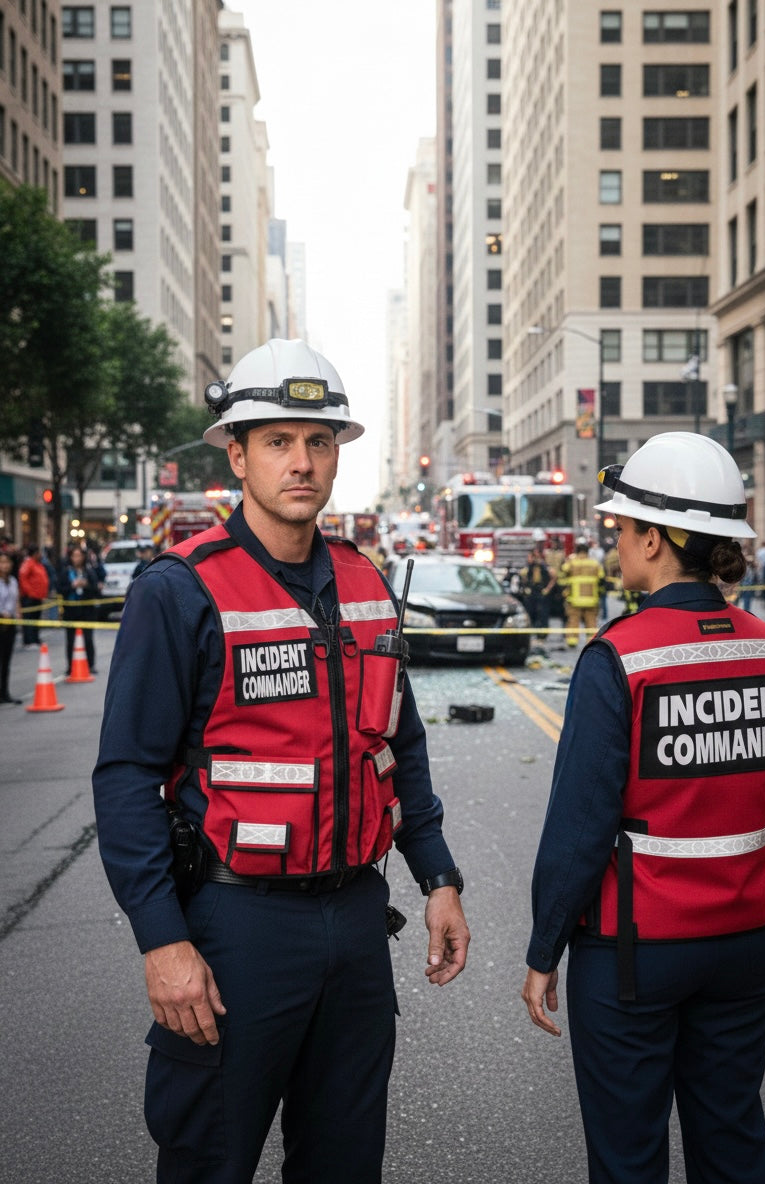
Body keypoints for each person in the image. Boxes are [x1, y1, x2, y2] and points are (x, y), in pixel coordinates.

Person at [92, 338, 470, 1184]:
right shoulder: (179, 589)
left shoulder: (367, 583)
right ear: (237, 452)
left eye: (320, 441)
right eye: (277, 441)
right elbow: (125, 779)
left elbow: (397, 748)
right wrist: (163, 942)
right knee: (208, 1162)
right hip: (235, 929)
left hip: (355, 922)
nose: (302, 462)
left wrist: (437, 876)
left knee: (344, 1164)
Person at [522, 432, 765, 1184]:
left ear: (654, 537)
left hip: (632, 954)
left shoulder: (620, 656)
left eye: (620, 530)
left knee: (629, 1156)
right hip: (742, 943)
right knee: (733, 1144)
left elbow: (580, 829)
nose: (616, 543)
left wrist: (544, 948)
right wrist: (759, 913)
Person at [58, 544, 101, 675]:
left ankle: (90, 664)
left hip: (86, 611)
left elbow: (96, 590)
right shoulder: (66, 572)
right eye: (74, 556)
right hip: (71, 610)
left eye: (79, 556)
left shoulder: (89, 572)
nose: (77, 559)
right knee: (70, 640)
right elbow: (60, 589)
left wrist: (86, 585)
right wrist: (72, 585)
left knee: (88, 638)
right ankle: (70, 666)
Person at [557, 540, 604, 647]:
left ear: (577, 551)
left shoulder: (571, 562)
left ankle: (572, 642)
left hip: (574, 599)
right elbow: (602, 578)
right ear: (588, 551)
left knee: (573, 620)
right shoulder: (595, 563)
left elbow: (562, 574)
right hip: (591, 599)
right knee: (591, 622)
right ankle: (591, 642)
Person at [519, 545, 556, 640]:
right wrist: (526, 588)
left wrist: (547, 589)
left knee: (543, 613)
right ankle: (531, 633)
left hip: (542, 591)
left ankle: (542, 634)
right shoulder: (528, 568)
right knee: (530, 612)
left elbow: (553, 577)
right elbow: (523, 577)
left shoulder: (544, 567)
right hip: (532, 592)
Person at [0, 551, 23, 704]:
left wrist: (18, 613)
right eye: (2, 563)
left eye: (7, 562)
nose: (5, 566)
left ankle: (4, 692)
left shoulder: (13, 581)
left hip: (10, 626)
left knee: (6, 661)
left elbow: (16, 601)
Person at [17, 544, 50, 648]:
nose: (41, 555)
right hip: (29, 597)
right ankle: (29, 640)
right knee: (29, 619)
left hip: (37, 597)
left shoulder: (38, 564)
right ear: (35, 554)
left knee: (36, 619)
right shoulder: (28, 563)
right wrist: (30, 592)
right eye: (39, 553)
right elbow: (23, 578)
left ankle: (35, 638)